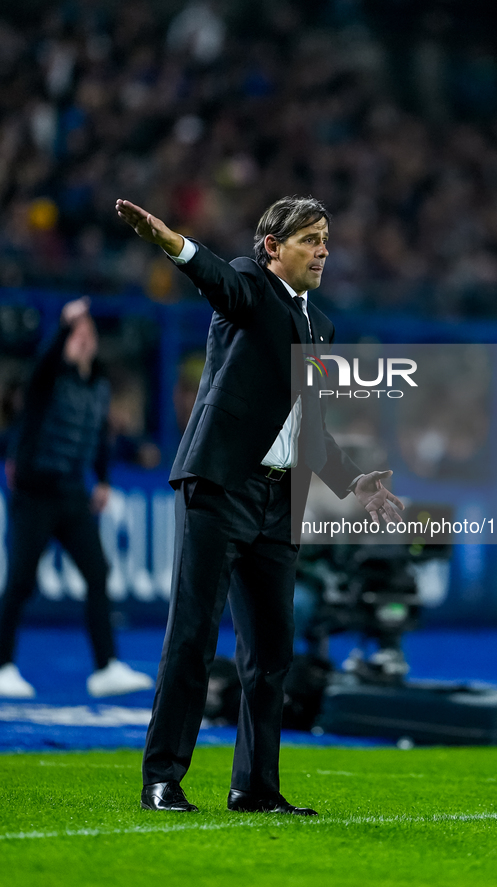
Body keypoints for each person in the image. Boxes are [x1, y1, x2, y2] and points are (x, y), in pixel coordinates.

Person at [116, 195, 402, 815]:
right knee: (192, 636)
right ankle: (162, 778)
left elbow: (314, 431)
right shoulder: (249, 284)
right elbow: (216, 276)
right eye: (310, 238)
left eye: (326, 237)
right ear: (273, 247)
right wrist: (174, 243)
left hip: (277, 500)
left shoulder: (321, 327)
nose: (324, 248)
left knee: (272, 651)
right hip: (220, 487)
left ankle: (255, 787)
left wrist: (356, 484)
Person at [0, 298, 154, 699]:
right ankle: (3, 664)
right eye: (75, 335)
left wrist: (102, 480)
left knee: (98, 574)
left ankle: (105, 667)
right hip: (34, 495)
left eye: (88, 334)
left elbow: (99, 438)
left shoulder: (99, 386)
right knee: (19, 580)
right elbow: (40, 370)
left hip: (72, 494)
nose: (83, 340)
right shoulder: (48, 379)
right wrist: (64, 327)